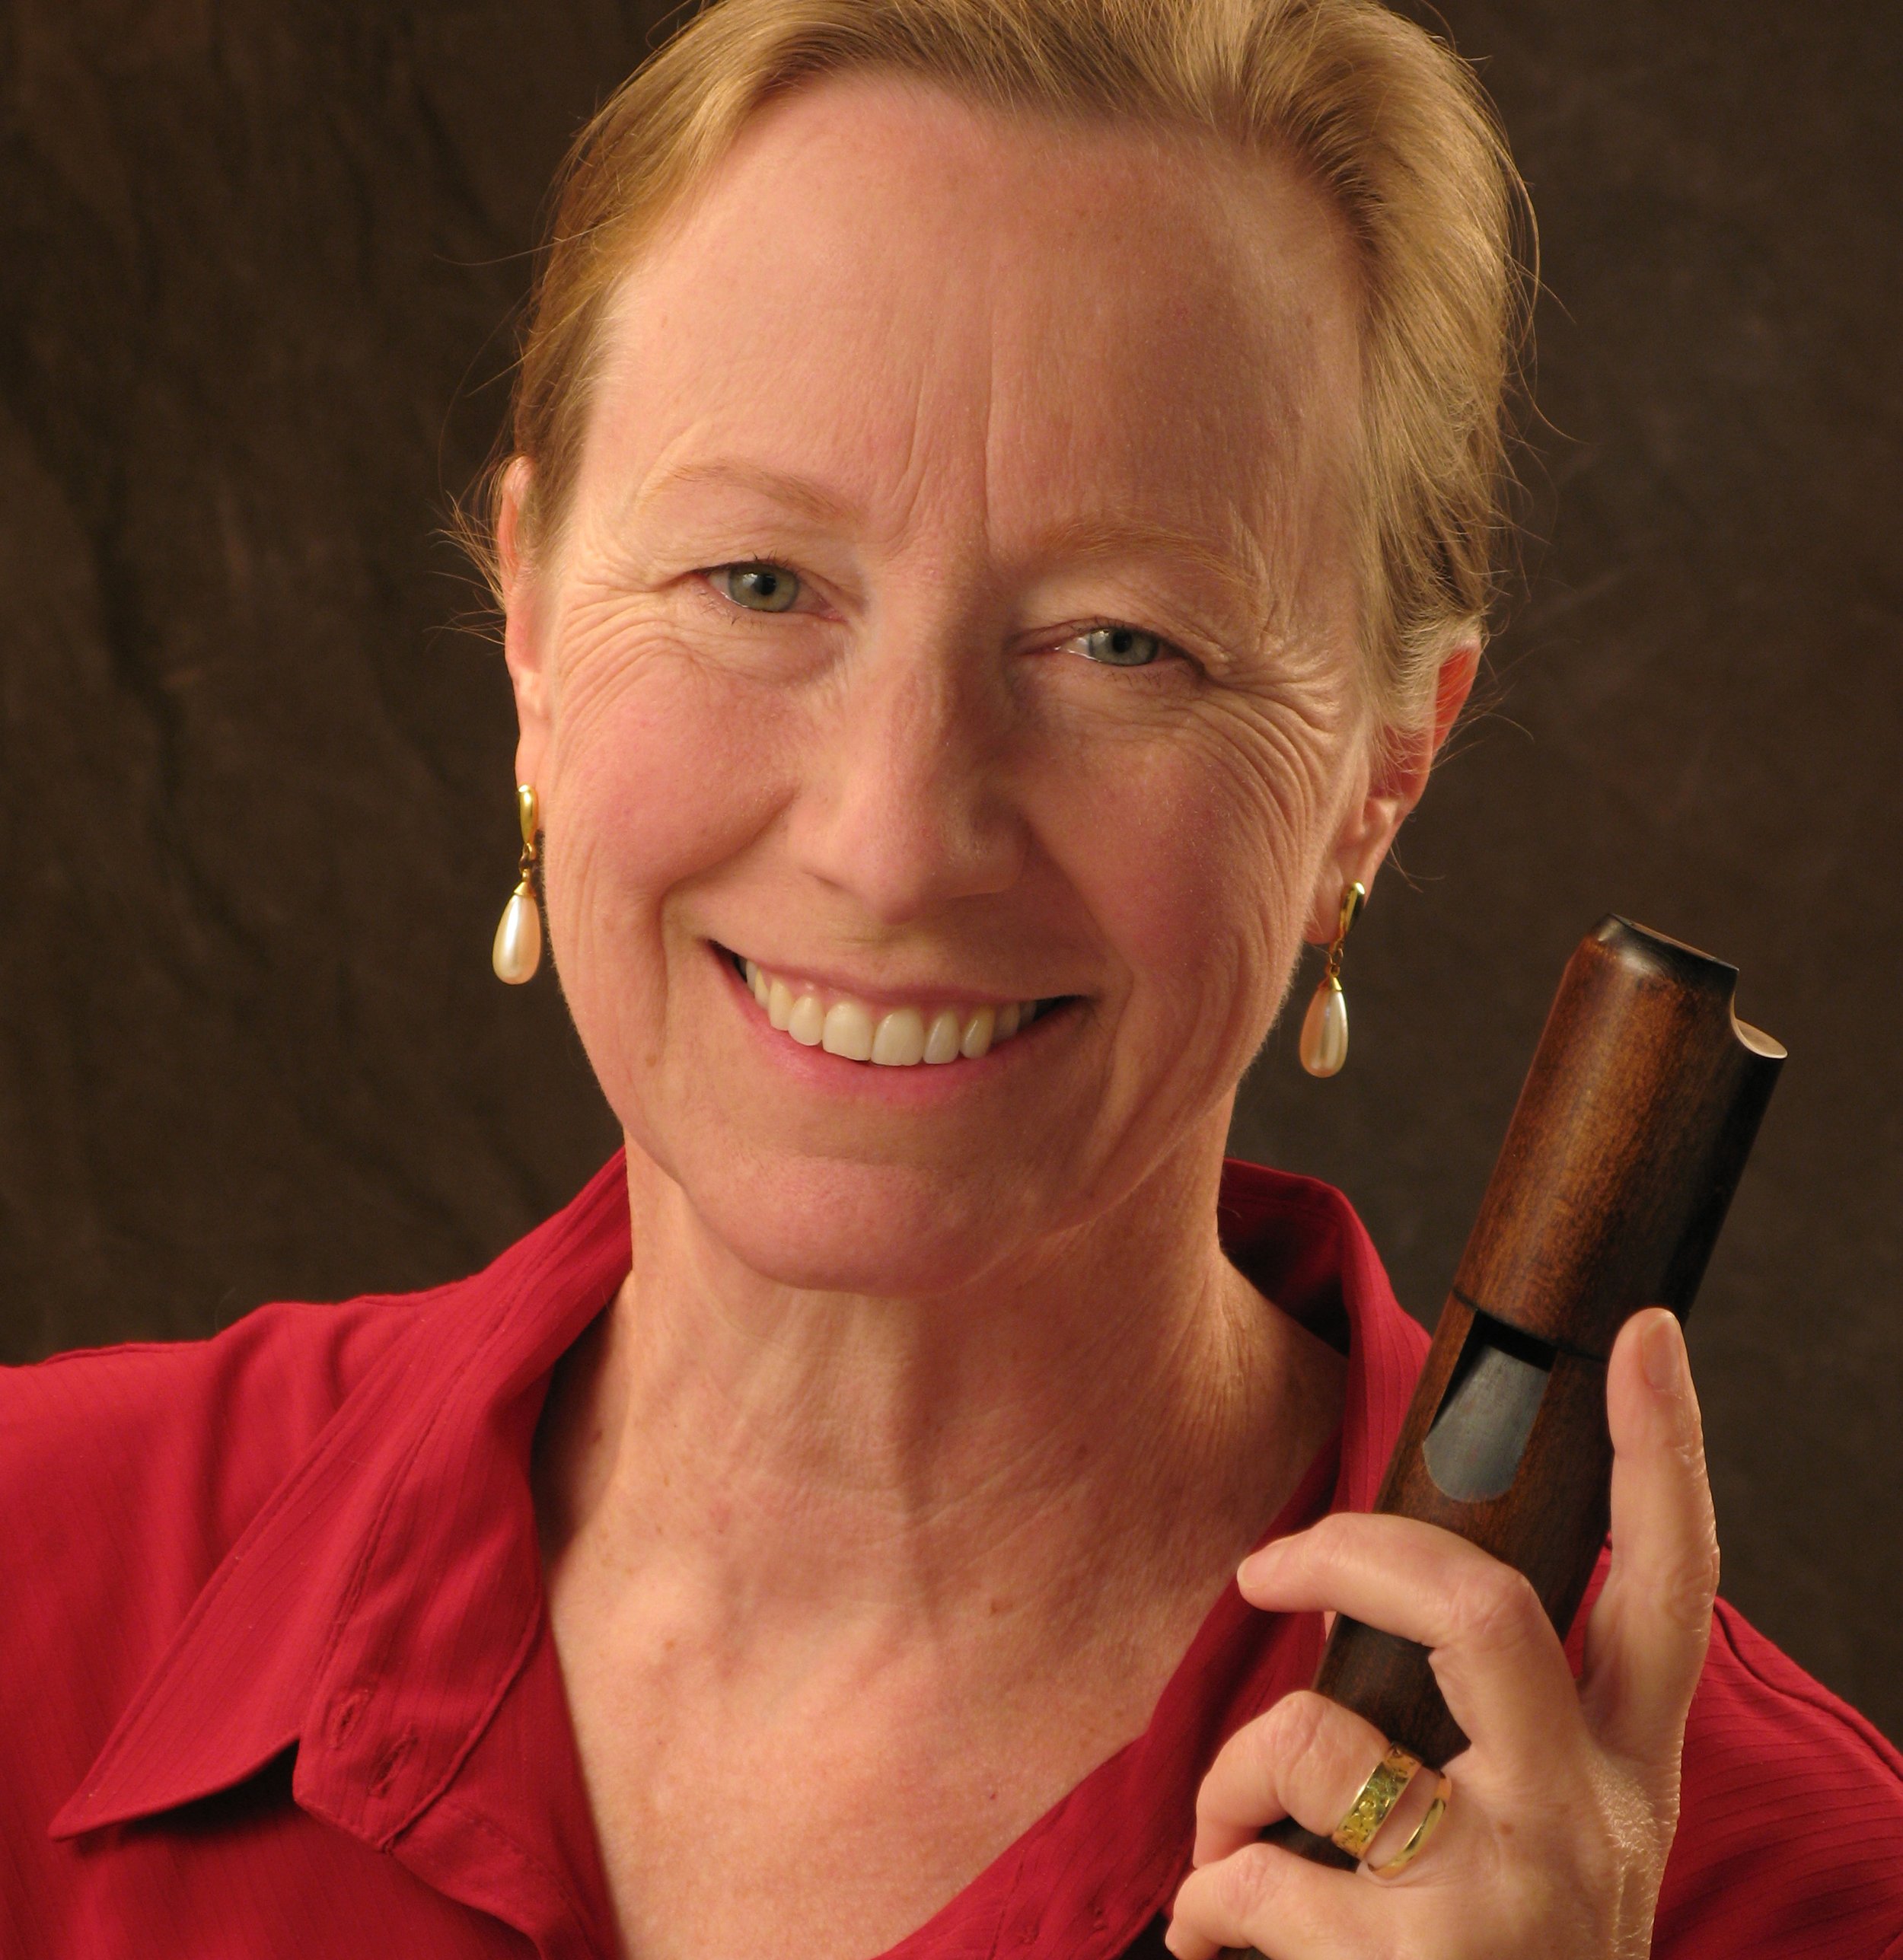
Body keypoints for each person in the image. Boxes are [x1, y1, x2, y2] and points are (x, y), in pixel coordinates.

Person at [4, 2, 1900, 1955]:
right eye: (756, 584)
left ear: (1380, 775)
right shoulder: (33, 1588)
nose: (893, 837)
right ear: (530, 639)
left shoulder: (1781, 1897)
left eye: (1118, 644)